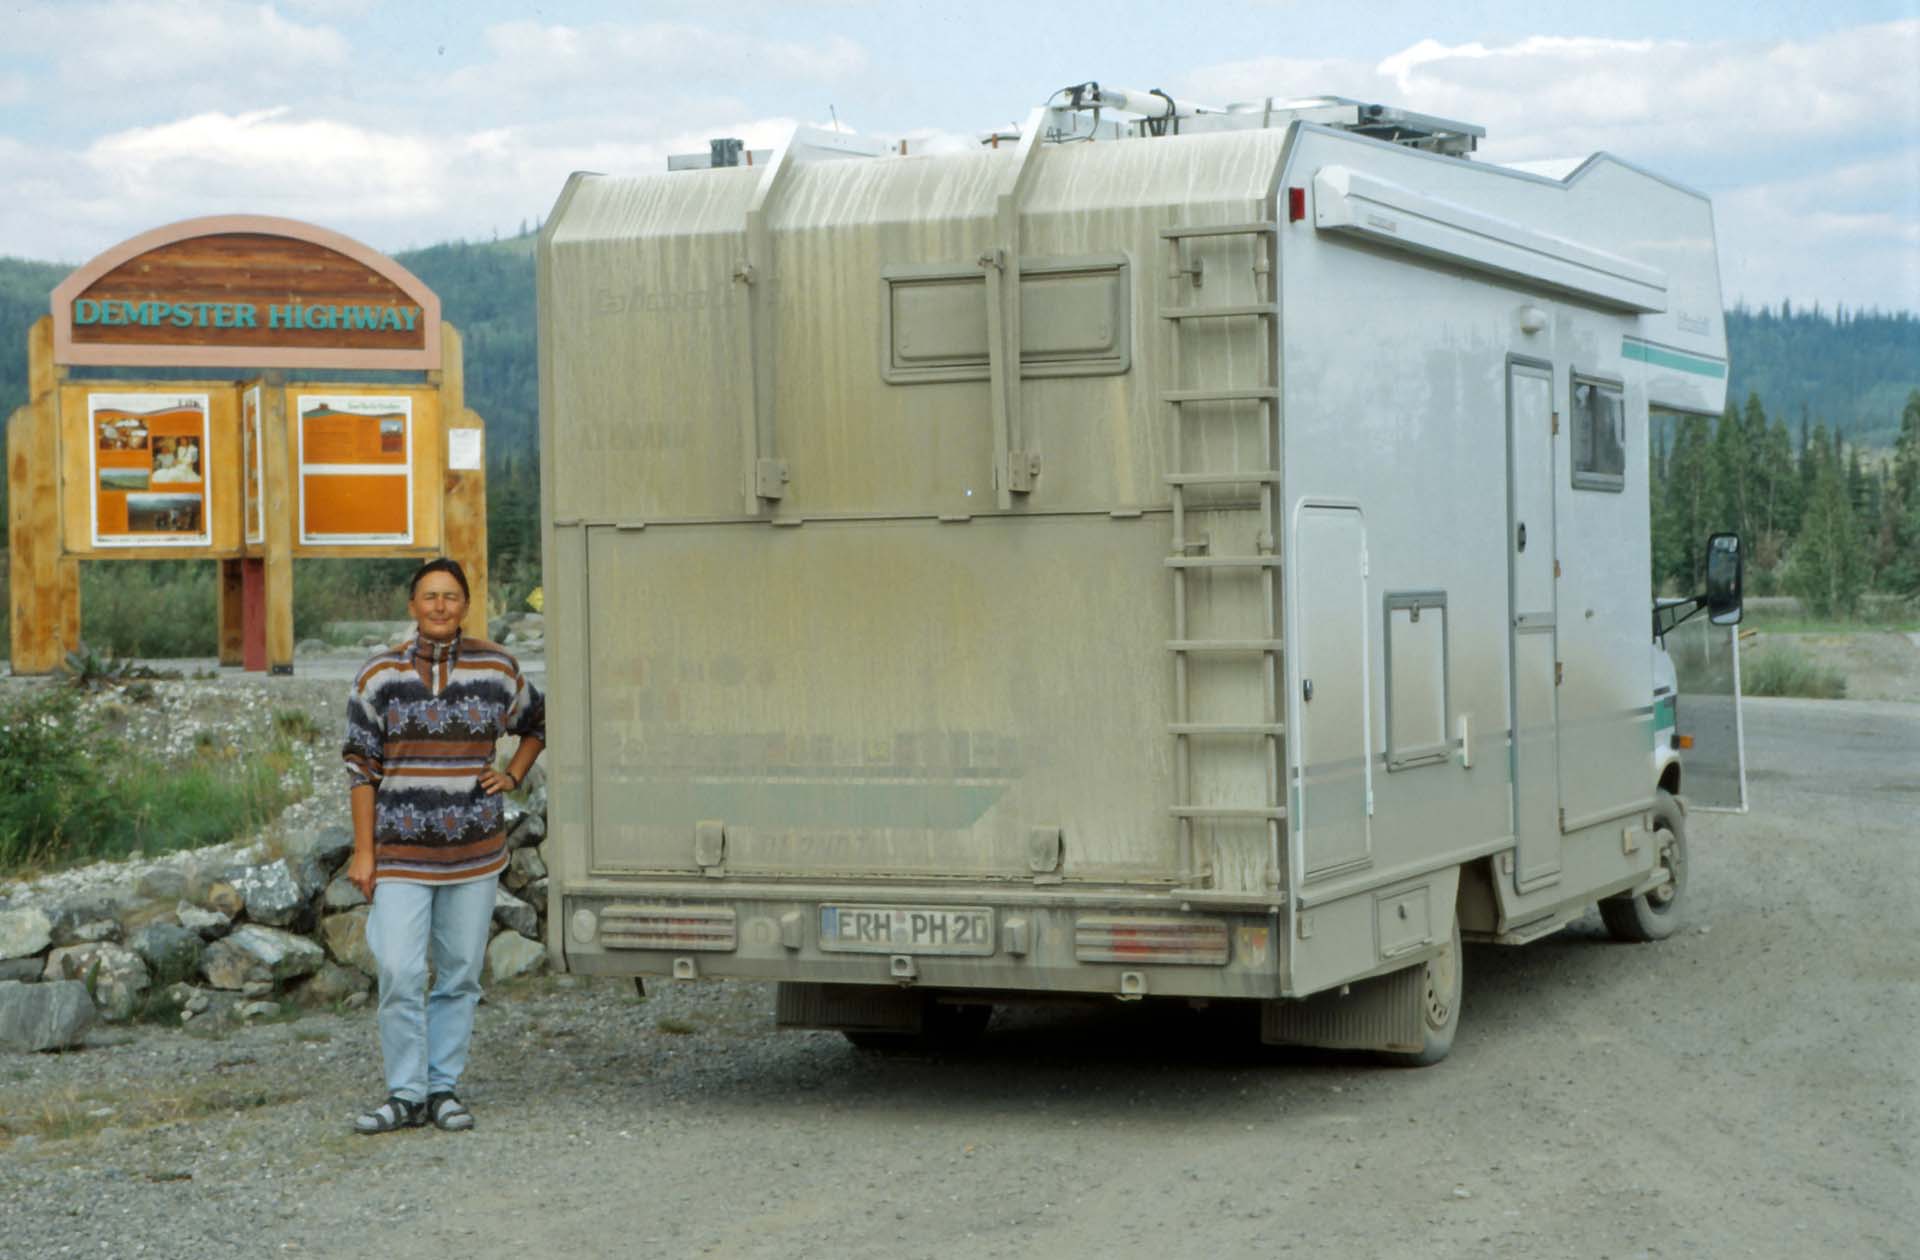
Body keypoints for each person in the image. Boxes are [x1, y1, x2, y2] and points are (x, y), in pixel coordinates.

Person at [342, 557, 545, 1134]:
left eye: (450, 596)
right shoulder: (378, 675)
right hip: (400, 853)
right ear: (413, 605)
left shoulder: (497, 667)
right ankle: (405, 1093)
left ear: (465, 605)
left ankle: (442, 1089)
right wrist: (364, 853)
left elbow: (537, 723)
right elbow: (360, 768)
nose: (439, 606)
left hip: (473, 853)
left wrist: (512, 775)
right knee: (400, 970)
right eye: (429, 596)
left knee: (459, 974)